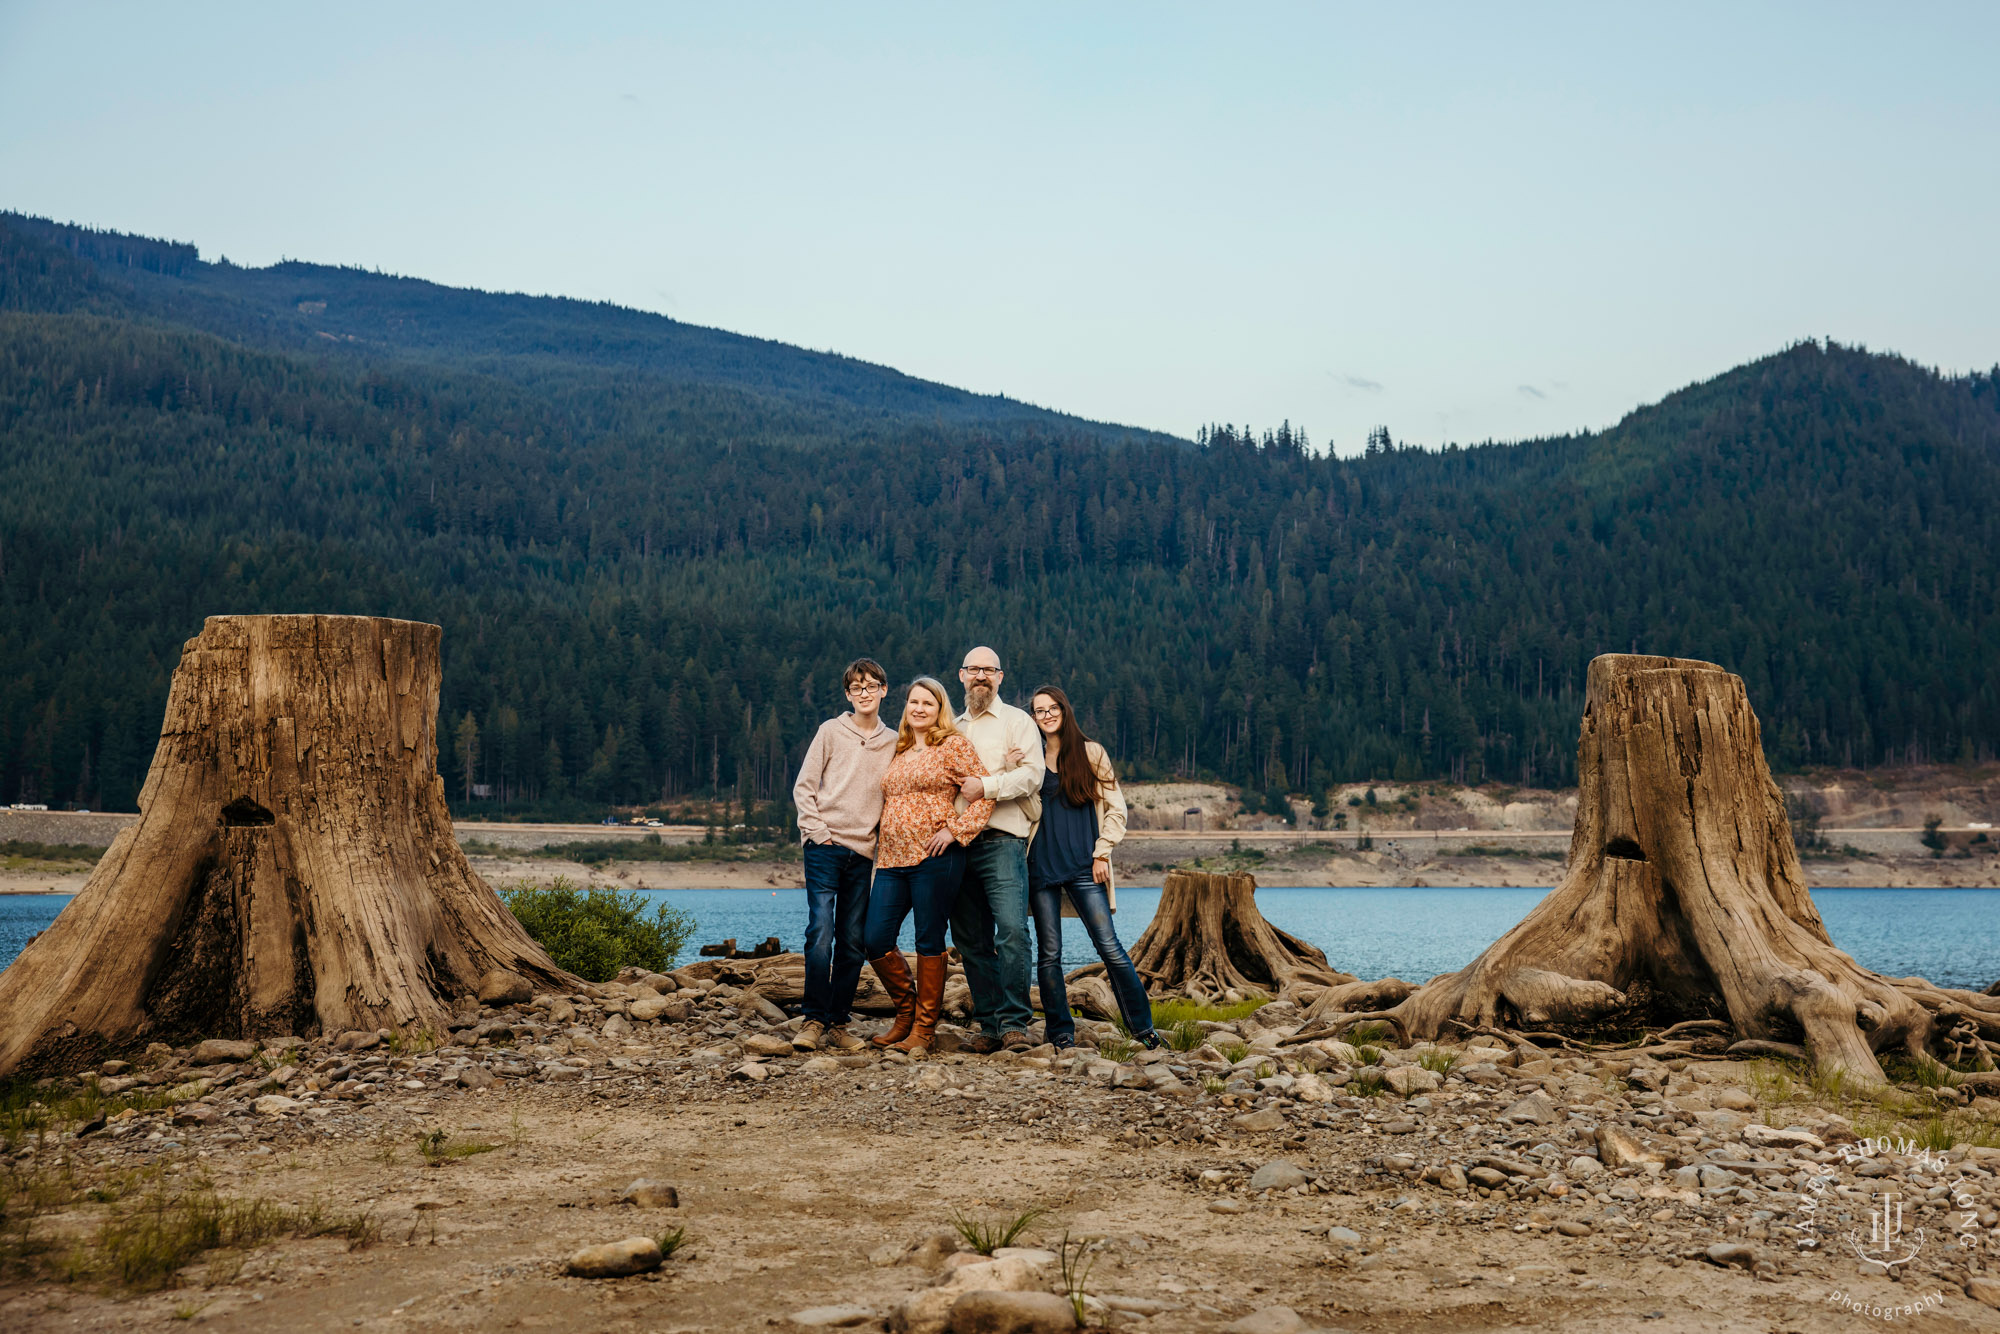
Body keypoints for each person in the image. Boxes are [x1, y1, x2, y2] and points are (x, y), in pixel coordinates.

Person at [863, 677, 994, 1057]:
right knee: (875, 937)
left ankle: (925, 1029)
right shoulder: (899, 751)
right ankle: (906, 1015)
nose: (919, 709)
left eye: (928, 703)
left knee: (928, 939)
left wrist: (956, 831)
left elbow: (983, 793)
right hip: (890, 859)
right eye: (913, 702)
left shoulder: (952, 746)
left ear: (940, 710)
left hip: (935, 858)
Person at [1024, 686, 1158, 1049]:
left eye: (1053, 708)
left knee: (1110, 947)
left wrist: (1102, 853)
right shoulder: (1031, 758)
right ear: (1033, 718)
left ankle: (1143, 1028)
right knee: (1049, 954)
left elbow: (1117, 808)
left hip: (1086, 867)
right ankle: (1061, 1032)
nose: (1047, 715)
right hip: (1041, 870)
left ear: (1065, 711)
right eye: (1039, 711)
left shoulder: (1091, 753)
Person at [790, 657, 898, 1053]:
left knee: (853, 940)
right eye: (857, 688)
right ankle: (813, 1019)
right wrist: (818, 833)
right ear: (848, 694)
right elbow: (804, 786)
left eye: (871, 686)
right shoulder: (831, 731)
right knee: (820, 932)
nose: (864, 693)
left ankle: (838, 1022)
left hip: (865, 852)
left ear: (884, 690)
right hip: (825, 847)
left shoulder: (893, 741)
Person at [947, 645, 1046, 1052]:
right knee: (971, 939)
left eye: (989, 669)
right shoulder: (950, 728)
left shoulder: (1017, 722)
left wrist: (986, 785)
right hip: (956, 845)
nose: (981, 676)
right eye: (974, 669)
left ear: (1001, 677)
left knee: (1011, 932)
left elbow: (1033, 777)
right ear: (961, 675)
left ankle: (1015, 1023)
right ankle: (988, 1025)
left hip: (1002, 840)